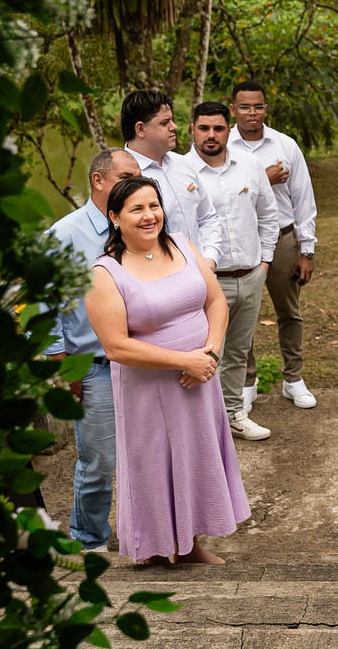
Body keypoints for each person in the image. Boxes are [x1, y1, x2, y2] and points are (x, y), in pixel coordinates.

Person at [84, 176, 250, 565]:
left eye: (153, 205)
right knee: (153, 463)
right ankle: (154, 551)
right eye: (136, 209)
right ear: (114, 217)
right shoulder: (104, 272)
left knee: (195, 455)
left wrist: (208, 354)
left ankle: (189, 546)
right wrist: (184, 361)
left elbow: (216, 303)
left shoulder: (183, 246)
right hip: (147, 388)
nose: (149, 216)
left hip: (198, 378)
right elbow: (116, 346)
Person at [44, 147, 140, 552]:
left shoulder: (143, 227)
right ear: (98, 181)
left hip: (144, 362)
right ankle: (88, 540)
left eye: (138, 177)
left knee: (148, 456)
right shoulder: (63, 235)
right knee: (99, 460)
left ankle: (146, 534)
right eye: (125, 177)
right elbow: (44, 302)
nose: (134, 185)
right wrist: (62, 364)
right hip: (95, 365)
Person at [184, 101, 280, 442]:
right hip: (207, 282)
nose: (211, 135)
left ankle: (232, 414)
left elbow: (269, 216)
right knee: (208, 353)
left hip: (251, 275)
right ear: (191, 128)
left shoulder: (250, 166)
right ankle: (202, 426)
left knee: (239, 350)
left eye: (219, 128)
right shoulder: (180, 172)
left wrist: (265, 262)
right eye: (204, 128)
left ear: (229, 129)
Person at [228, 81, 320, 411]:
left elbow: (304, 201)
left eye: (259, 107)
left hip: (282, 239)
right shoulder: (222, 146)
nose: (252, 113)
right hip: (241, 242)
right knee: (240, 315)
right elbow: (217, 192)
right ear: (232, 109)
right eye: (245, 107)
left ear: (266, 108)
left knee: (289, 312)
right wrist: (261, 178)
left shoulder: (285, 145)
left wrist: (306, 251)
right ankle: (246, 381)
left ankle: (293, 379)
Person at [120, 89, 222, 267]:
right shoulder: (120, 176)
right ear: (140, 129)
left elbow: (207, 217)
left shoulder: (183, 164)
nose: (174, 126)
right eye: (165, 122)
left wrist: (210, 259)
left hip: (204, 275)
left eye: (172, 120)